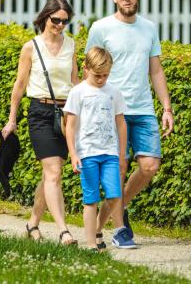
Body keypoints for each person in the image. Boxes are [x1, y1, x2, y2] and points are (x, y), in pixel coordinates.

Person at [85, 0, 174, 247]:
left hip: (143, 107)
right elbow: (91, 66)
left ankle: (112, 214)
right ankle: (120, 230)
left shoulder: (149, 28)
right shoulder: (101, 28)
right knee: (118, 167)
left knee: (149, 166)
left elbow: (156, 70)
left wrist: (167, 107)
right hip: (112, 110)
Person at [1, 0, 79, 245]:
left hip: (65, 114)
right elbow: (20, 85)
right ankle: (64, 231)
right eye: (56, 20)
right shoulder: (31, 47)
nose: (59, 25)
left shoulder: (72, 45)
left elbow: (75, 83)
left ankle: (32, 224)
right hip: (40, 114)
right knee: (54, 172)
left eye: (65, 22)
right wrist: (12, 119)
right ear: (45, 17)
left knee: (50, 176)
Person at [63, 47, 134, 251]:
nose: (102, 79)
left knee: (114, 195)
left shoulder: (114, 92)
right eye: (97, 75)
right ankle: (92, 244)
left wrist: (122, 154)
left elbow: (121, 124)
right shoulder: (78, 92)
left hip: (110, 153)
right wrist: (73, 153)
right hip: (87, 154)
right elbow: (71, 125)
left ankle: (97, 229)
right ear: (86, 68)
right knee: (91, 198)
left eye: (105, 75)